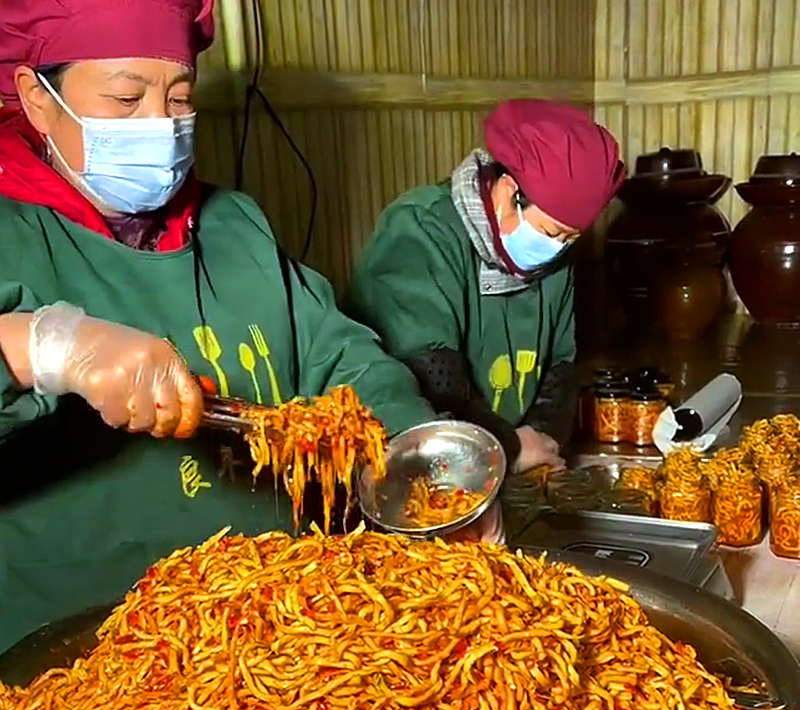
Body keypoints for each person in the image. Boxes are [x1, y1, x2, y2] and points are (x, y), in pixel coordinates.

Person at [0, 0, 447, 653]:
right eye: (126, 99)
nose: (159, 125)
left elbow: (344, 355)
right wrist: (46, 347)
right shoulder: (12, 231)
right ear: (37, 98)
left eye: (180, 99)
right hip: (75, 649)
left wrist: (420, 463)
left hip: (280, 629)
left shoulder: (233, 224)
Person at [347, 99, 624, 474]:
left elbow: (560, 368)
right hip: (420, 466)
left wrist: (543, 443)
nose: (556, 247)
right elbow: (429, 379)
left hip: (503, 461)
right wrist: (506, 448)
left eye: (570, 237)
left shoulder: (557, 259)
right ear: (509, 191)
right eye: (549, 232)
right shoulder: (421, 233)